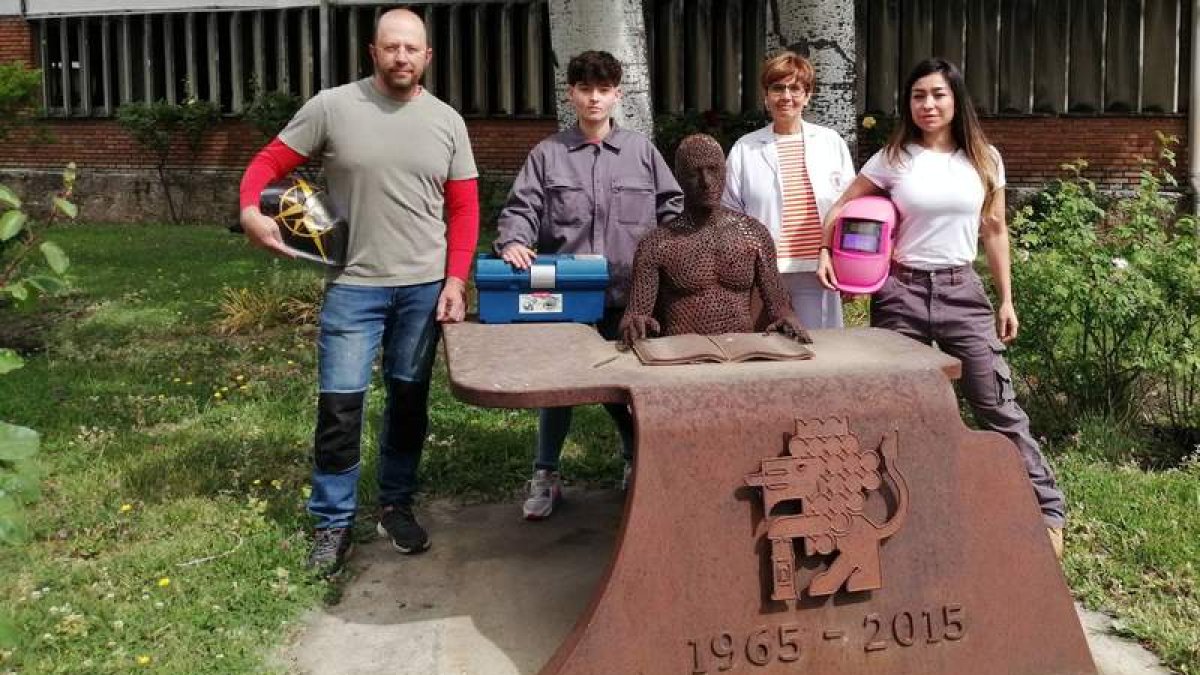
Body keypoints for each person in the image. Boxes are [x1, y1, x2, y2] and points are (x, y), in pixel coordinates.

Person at [237, 8, 479, 574]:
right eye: (391, 47)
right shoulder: (332, 107)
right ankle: (333, 522)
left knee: (407, 404)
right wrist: (251, 210)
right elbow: (270, 162)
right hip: (352, 287)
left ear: (427, 57)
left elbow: (465, 208)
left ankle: (395, 503)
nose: (401, 57)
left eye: (411, 49)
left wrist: (456, 279)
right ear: (373, 52)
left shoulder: (448, 122)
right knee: (340, 408)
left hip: (422, 288)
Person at [816, 57, 1066, 559]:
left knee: (995, 403)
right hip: (901, 294)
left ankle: (1047, 512)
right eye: (917, 96)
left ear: (955, 100)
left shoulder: (984, 159)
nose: (927, 105)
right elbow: (842, 206)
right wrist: (827, 251)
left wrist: (1006, 299)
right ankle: (894, 516)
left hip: (962, 294)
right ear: (907, 105)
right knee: (895, 409)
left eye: (937, 95)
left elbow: (994, 230)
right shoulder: (892, 157)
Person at [494, 50, 683, 520]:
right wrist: (514, 240)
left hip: (630, 297)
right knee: (559, 388)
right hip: (566, 298)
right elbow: (522, 209)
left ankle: (633, 462)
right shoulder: (548, 155)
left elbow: (672, 211)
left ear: (617, 94)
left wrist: (673, 260)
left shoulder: (641, 152)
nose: (594, 98)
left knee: (627, 388)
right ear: (571, 94)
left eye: (603, 90)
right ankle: (546, 473)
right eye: (585, 89)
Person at [620, 133, 810, 344]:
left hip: (740, 351)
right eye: (694, 173)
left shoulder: (753, 235)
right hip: (684, 356)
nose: (706, 182)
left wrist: (787, 318)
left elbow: (779, 305)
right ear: (679, 178)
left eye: (713, 170)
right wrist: (636, 323)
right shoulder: (658, 244)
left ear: (724, 173)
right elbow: (634, 314)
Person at [722, 51, 855, 330]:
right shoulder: (745, 148)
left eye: (795, 88)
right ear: (766, 95)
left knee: (820, 353)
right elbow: (729, 214)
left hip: (818, 270)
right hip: (763, 274)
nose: (786, 96)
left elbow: (849, 208)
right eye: (777, 88)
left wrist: (840, 259)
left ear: (807, 95)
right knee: (768, 356)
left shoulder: (831, 143)